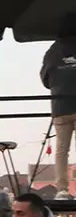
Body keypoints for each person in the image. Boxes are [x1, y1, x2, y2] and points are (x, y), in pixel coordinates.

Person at [41, 16, 76, 197]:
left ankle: (62, 189)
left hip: (60, 106)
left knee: (62, 150)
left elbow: (45, 79)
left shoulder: (52, 51)